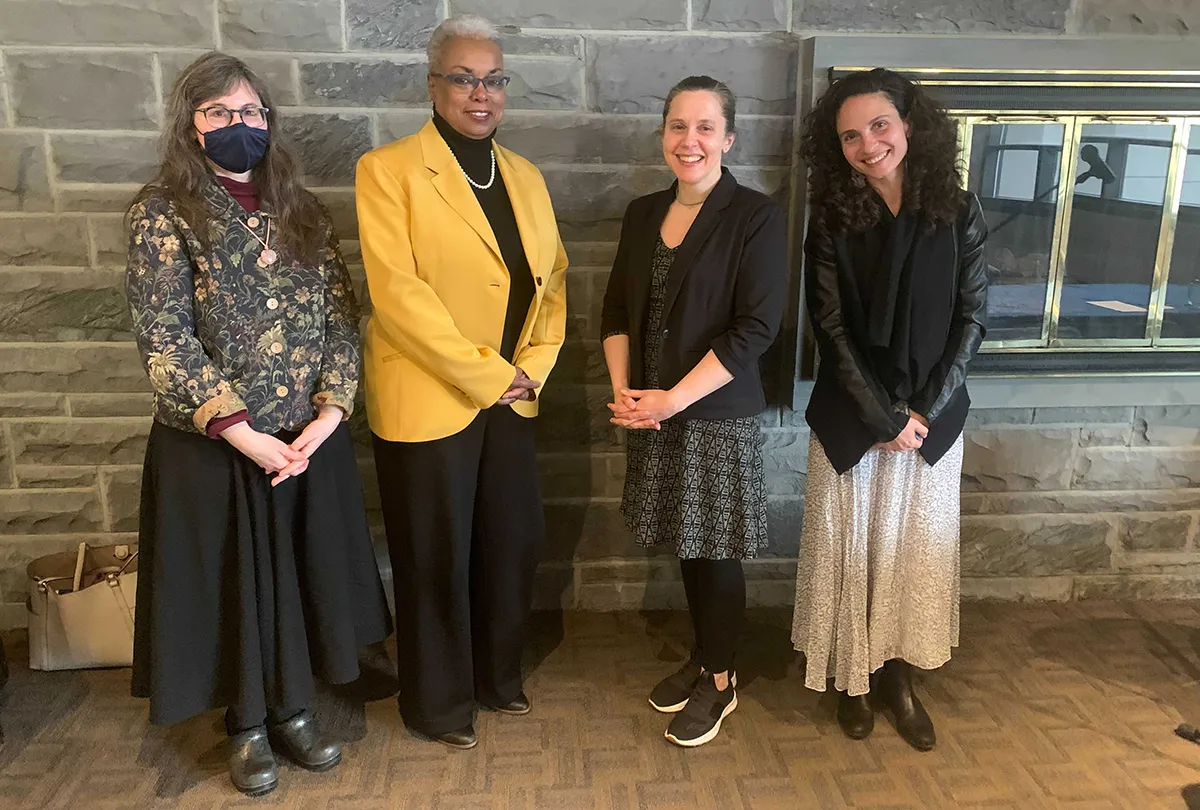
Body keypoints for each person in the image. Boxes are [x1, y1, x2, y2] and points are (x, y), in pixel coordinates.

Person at [124, 52, 392, 796]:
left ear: (268, 122)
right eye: (218, 113)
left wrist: (333, 411)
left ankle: (296, 707)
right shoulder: (162, 212)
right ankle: (246, 725)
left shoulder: (301, 209)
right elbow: (164, 337)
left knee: (300, 578)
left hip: (305, 440)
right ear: (191, 125)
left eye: (249, 112)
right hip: (216, 448)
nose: (237, 125)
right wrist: (242, 431)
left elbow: (343, 317)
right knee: (234, 589)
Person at [354, 14, 568, 750]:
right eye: (465, 78)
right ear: (434, 84)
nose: (481, 93)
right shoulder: (387, 172)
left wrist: (530, 367)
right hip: (430, 394)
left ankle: (494, 679)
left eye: (494, 78)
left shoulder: (527, 179)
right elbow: (398, 294)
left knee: (512, 541)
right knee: (434, 553)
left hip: (511, 396)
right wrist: (489, 374)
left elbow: (554, 284)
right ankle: (438, 704)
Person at [791, 68, 988, 751]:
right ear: (835, 147)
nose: (868, 144)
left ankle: (897, 678)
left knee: (908, 558)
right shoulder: (832, 221)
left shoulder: (959, 211)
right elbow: (830, 327)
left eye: (879, 125)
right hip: (852, 416)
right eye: (850, 135)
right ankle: (852, 677)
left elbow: (972, 319)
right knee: (852, 555)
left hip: (932, 418)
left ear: (911, 126)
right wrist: (883, 417)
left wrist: (922, 414)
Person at [600, 76, 788, 748]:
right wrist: (626, 394)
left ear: (729, 138)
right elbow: (618, 309)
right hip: (651, 409)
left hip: (712, 411)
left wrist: (672, 399)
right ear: (663, 136)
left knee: (714, 551)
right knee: (686, 542)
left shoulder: (756, 217)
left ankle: (721, 680)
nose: (691, 140)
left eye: (706, 127)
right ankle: (706, 654)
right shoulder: (642, 212)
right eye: (678, 126)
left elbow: (755, 330)